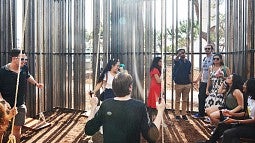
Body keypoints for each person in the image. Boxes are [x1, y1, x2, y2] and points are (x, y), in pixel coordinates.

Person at [85, 73, 166, 143]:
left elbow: (89, 130)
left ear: (113, 88)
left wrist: (93, 108)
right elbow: (152, 137)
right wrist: (160, 112)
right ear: (130, 87)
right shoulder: (139, 107)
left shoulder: (106, 105)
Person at [0, 49, 44, 143]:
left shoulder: (24, 68)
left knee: (17, 129)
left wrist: (36, 84)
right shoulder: (3, 71)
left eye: (26, 59)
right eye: (23, 59)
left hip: (20, 104)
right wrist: (2, 101)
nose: (25, 61)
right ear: (15, 59)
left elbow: (28, 76)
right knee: (2, 129)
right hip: (5, 107)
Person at [197, 78, 255, 143]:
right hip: (246, 123)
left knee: (228, 133)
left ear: (250, 87)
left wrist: (236, 121)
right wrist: (231, 114)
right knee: (222, 125)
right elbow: (246, 114)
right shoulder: (250, 98)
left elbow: (253, 120)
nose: (243, 85)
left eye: (245, 84)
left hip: (252, 128)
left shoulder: (239, 92)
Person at [204, 53, 230, 123]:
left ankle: (217, 122)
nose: (215, 60)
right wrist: (207, 89)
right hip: (213, 89)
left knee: (219, 104)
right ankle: (212, 121)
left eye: (217, 59)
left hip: (222, 89)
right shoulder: (211, 68)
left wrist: (222, 77)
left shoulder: (225, 68)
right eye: (214, 59)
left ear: (221, 59)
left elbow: (229, 79)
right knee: (209, 102)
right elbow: (209, 79)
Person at [192, 44, 214, 118]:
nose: (207, 50)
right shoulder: (204, 59)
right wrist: (197, 80)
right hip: (203, 81)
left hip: (212, 82)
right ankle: (201, 114)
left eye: (208, 48)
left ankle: (210, 115)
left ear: (212, 49)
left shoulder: (214, 58)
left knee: (211, 98)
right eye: (206, 49)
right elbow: (202, 71)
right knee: (201, 97)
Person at [172, 48, 192, 121]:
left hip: (187, 83)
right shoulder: (177, 61)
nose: (182, 54)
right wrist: (178, 55)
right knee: (177, 100)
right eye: (180, 53)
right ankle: (177, 114)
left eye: (183, 52)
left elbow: (189, 72)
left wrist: (190, 82)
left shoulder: (188, 62)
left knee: (185, 100)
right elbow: (176, 60)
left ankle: (184, 114)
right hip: (178, 83)